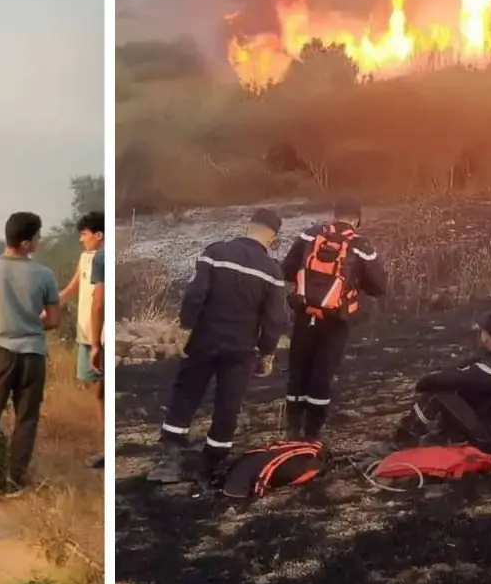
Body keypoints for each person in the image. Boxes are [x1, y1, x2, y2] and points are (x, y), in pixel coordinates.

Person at [147, 208, 291, 485]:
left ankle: (169, 462)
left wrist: (185, 328)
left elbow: (195, 294)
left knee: (186, 394)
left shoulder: (215, 252)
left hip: (204, 339)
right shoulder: (272, 271)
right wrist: (267, 352)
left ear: (248, 225)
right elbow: (275, 318)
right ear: (273, 237)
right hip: (242, 348)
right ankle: (212, 466)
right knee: (229, 404)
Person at [0, 211, 60, 492]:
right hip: (33, 355)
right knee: (26, 419)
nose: (39, 241)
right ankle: (15, 481)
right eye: (38, 236)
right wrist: (32, 322)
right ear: (27, 243)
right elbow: (53, 321)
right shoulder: (44, 275)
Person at [278, 199, 389, 441]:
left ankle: (293, 427)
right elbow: (379, 286)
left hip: (304, 314)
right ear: (357, 220)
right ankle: (313, 432)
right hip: (336, 320)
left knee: (298, 371)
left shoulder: (309, 236)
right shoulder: (361, 245)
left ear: (334, 215)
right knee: (323, 373)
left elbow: (286, 270)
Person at [381, 311, 491, 456]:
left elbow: (445, 380)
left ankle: (402, 441)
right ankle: (445, 435)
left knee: (437, 394)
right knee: (461, 389)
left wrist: (423, 383)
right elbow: (462, 369)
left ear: (486, 336)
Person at [58, 211, 106, 468]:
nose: (81, 239)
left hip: (100, 337)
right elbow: (72, 288)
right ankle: (105, 447)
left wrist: (98, 342)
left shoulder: (104, 258)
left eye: (85, 234)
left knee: (102, 391)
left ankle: (107, 448)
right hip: (87, 334)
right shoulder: (86, 257)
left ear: (99, 235)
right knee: (98, 393)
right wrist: (49, 307)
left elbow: (99, 303)